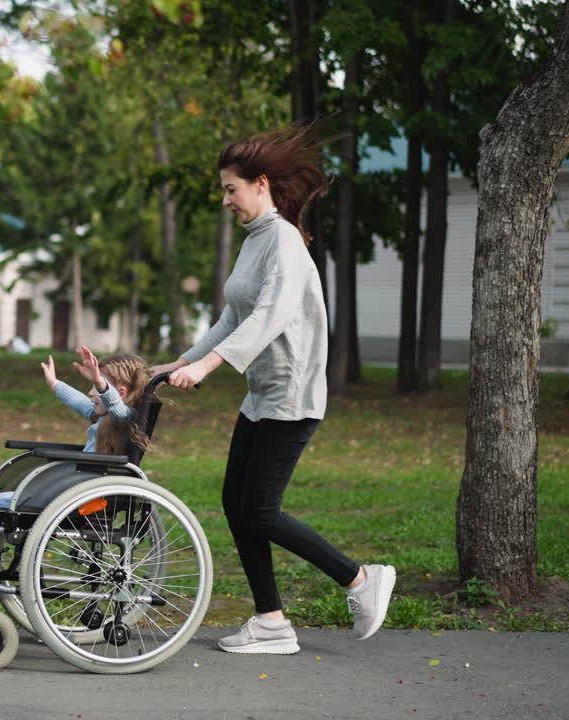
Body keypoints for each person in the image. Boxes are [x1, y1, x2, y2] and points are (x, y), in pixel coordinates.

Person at [150, 126, 395, 655]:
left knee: (260, 510)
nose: (224, 200)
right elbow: (231, 317)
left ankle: (360, 580)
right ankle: (271, 623)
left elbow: (268, 317)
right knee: (235, 503)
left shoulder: (283, 241)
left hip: (292, 396)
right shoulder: (254, 241)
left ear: (259, 184)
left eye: (230, 189)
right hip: (262, 396)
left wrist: (210, 367)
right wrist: (180, 363)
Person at [0, 346, 153, 626]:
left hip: (76, 498)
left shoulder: (123, 420)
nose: (91, 394)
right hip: (73, 493)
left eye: (95, 390)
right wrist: (55, 383)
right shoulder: (103, 418)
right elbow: (80, 403)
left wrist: (100, 382)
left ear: (118, 392)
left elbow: (118, 410)